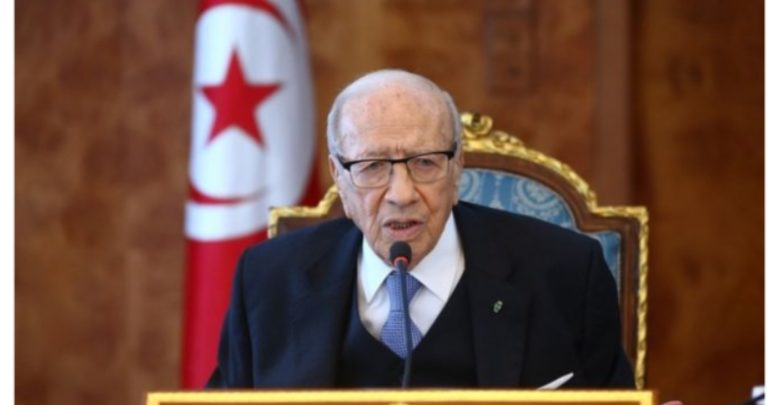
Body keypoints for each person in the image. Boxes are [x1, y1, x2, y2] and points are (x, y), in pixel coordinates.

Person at [206, 69, 634, 388]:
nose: (402, 194)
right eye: (372, 167)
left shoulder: (565, 272)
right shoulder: (268, 280)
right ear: (338, 175)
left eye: (425, 163)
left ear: (457, 167)